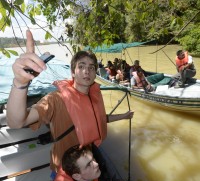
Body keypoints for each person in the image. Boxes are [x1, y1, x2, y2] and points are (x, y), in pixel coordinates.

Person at [6, 30, 134, 172]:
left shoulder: (93, 96)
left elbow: (100, 119)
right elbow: (17, 122)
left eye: (91, 68)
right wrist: (20, 82)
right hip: (64, 169)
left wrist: (124, 116)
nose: (87, 71)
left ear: (94, 74)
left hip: (88, 166)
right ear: (73, 72)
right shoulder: (56, 99)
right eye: (81, 66)